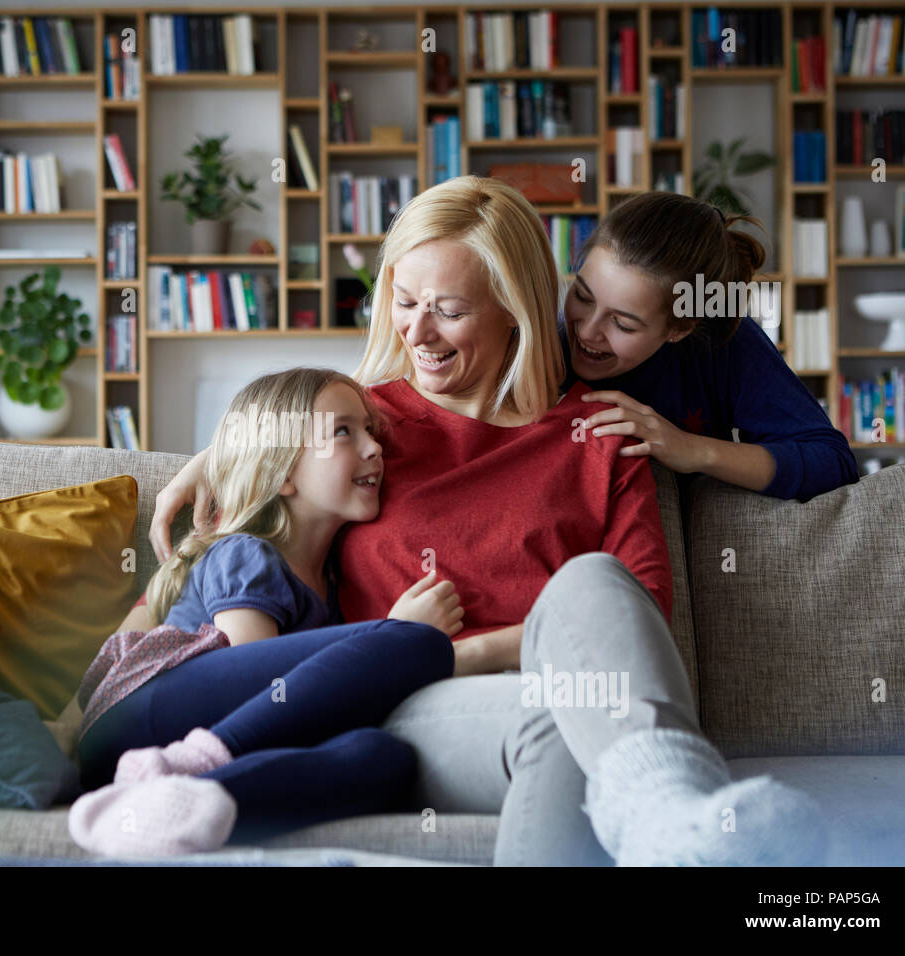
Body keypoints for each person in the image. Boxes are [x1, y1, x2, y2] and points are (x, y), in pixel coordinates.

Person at [142, 176, 828, 866]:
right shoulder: (361, 428)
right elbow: (257, 512)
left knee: (591, 592)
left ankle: (671, 823)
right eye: (404, 303)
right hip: (413, 703)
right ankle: (678, 819)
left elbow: (635, 614)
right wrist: (227, 455)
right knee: (558, 722)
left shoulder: (604, 429)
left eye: (448, 309)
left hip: (586, 700)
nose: (417, 331)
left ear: (514, 309)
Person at [66, 367, 467, 858]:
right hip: (137, 712)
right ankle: (191, 765)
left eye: (368, 429)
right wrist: (395, 639)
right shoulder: (246, 555)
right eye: (343, 432)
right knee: (415, 641)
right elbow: (262, 691)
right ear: (282, 474)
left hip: (163, 753)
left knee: (386, 758)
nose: (373, 447)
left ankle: (178, 806)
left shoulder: (332, 586)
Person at [562, 191, 859, 501]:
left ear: (679, 329)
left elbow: (833, 462)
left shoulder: (723, 341)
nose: (587, 330)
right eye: (582, 295)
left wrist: (692, 448)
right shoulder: (539, 335)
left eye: (622, 324)